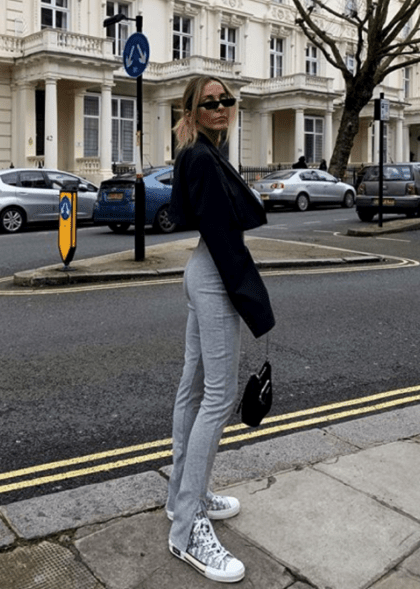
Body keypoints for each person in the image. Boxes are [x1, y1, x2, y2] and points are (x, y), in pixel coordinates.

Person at [167, 75, 275, 583]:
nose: (220, 107)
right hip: (213, 275)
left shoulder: (205, 152)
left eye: (225, 100)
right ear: (191, 111)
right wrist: (255, 306)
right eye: (208, 102)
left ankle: (182, 498)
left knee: (192, 389)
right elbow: (224, 238)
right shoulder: (203, 158)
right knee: (218, 395)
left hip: (204, 270)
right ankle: (188, 529)